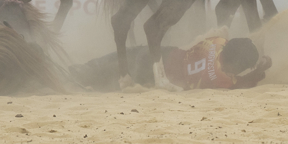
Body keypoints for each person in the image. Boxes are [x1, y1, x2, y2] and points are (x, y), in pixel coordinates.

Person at [69, 36, 271, 91]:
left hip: (161, 55)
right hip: (155, 75)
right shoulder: (221, 77)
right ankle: (89, 80)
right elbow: (244, 83)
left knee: (122, 57)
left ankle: (85, 69)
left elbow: (230, 43)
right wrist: (260, 70)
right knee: (112, 80)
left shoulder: (217, 42)